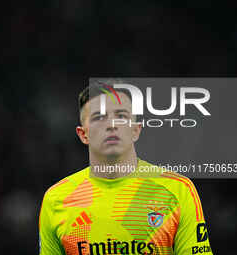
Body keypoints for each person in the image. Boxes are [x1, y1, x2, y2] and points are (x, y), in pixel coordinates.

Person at [38, 80, 213, 255]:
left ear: (135, 130)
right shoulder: (56, 199)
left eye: (121, 116)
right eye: (99, 117)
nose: (112, 125)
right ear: (84, 134)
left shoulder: (178, 189)